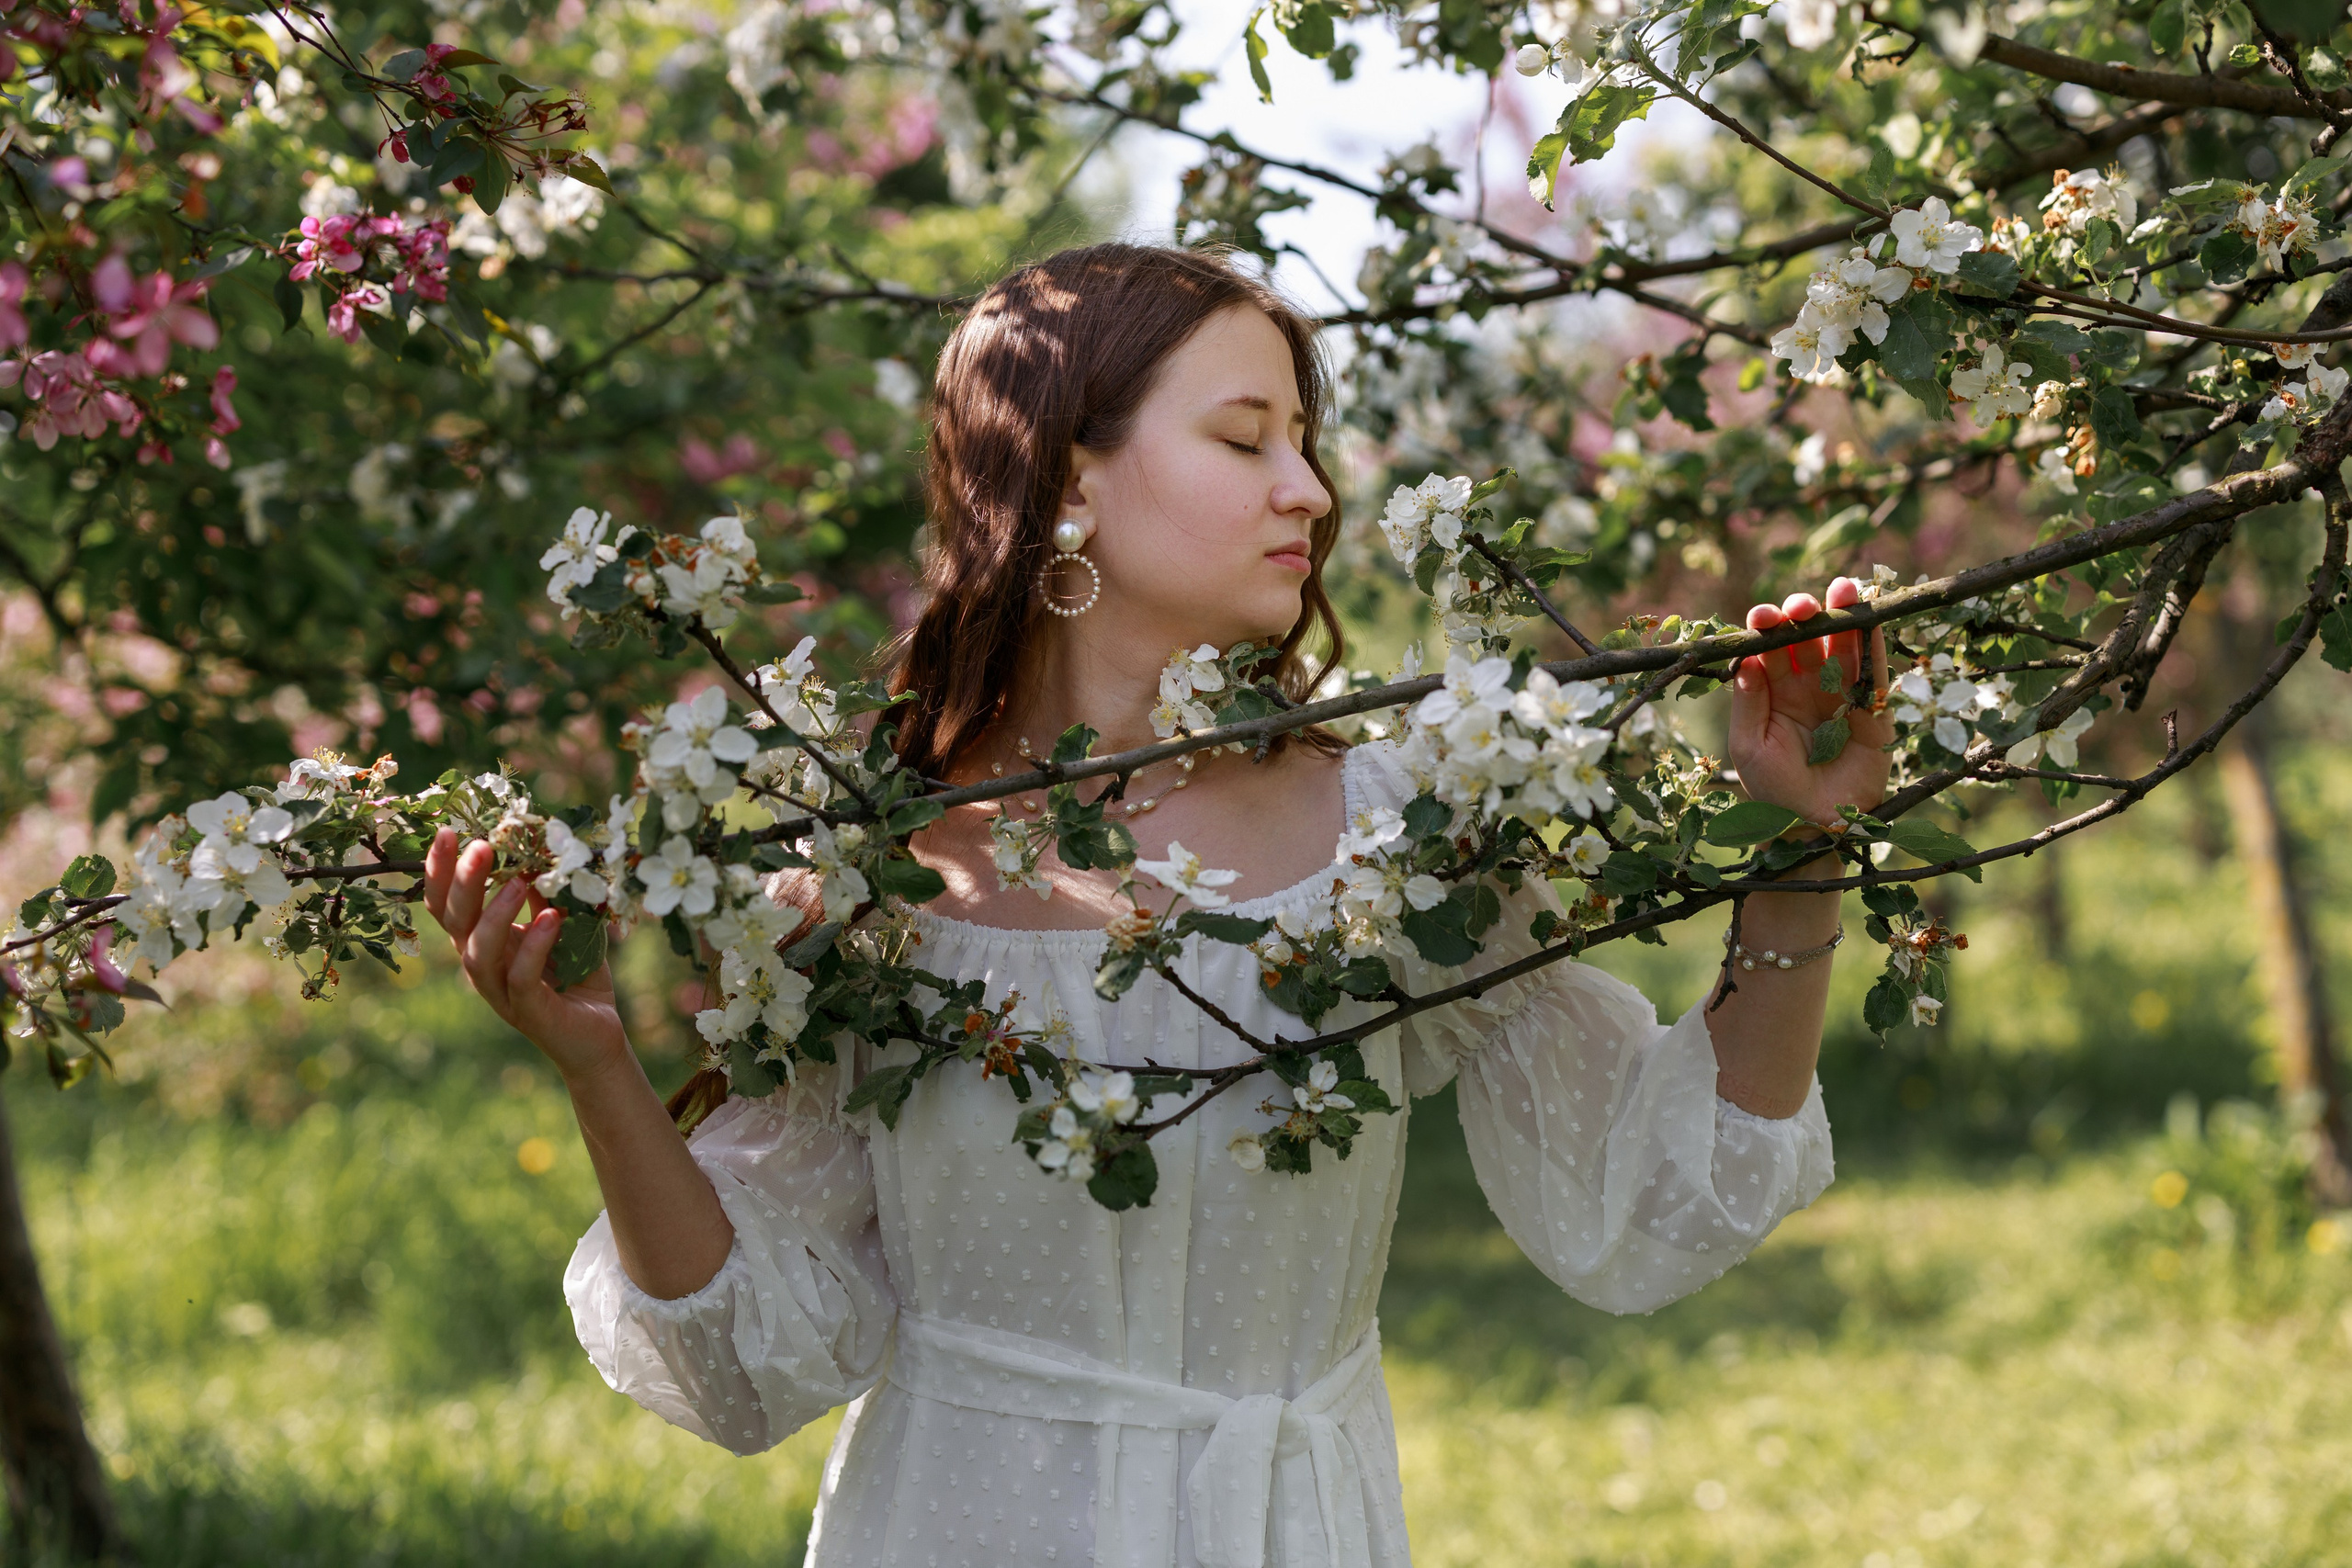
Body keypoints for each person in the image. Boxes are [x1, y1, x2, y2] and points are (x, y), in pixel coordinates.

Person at [420, 243, 1888, 1566]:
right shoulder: (878, 893)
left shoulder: (1399, 843)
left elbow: (1655, 1192)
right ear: (1066, 476)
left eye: (1304, 441)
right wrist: (600, 1063)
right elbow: (747, 1367)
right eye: (1245, 436)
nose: (1308, 489)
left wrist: (1803, 849)